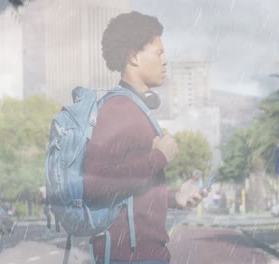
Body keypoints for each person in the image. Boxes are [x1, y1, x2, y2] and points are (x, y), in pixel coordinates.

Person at [83, 11, 209, 264]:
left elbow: (132, 189)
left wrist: (175, 196)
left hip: (146, 254)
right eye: (159, 53)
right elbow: (93, 184)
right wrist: (159, 157)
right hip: (129, 258)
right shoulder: (117, 109)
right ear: (133, 57)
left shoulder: (136, 109)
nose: (165, 61)